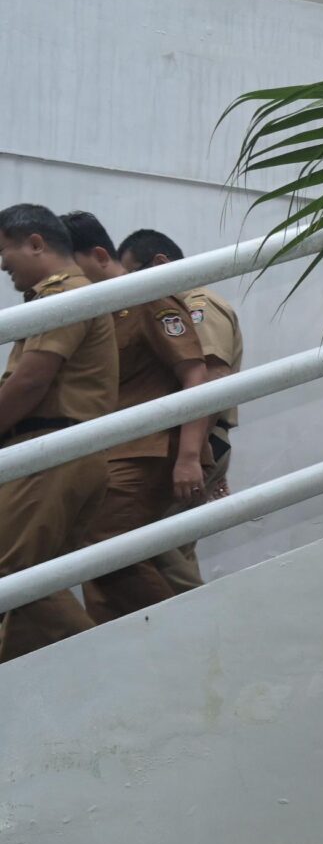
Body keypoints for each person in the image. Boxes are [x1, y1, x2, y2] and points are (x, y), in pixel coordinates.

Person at [64, 225, 214, 622]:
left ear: (98, 256)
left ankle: (182, 637)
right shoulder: (99, 313)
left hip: (149, 448)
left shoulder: (147, 298)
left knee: (104, 545)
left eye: (71, 266)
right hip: (111, 452)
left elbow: (196, 374)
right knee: (103, 566)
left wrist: (188, 456)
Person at [0, 204, 118, 659]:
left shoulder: (64, 294)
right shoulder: (62, 295)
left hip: (51, 450)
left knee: (17, 577)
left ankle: (107, 669)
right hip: (60, 451)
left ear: (35, 242)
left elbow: (31, 380)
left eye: (5, 251)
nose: (3, 265)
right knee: (30, 585)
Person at [117, 229, 245, 593]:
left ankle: (204, 630)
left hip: (199, 440)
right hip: (199, 441)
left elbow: (212, 381)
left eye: (132, 275)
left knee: (159, 551)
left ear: (160, 263)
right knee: (175, 552)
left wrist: (194, 458)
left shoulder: (198, 304)